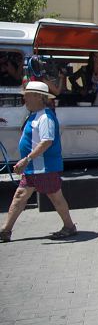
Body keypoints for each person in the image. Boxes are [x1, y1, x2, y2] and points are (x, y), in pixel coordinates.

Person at [0, 82, 76, 242]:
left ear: (38, 97)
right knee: (21, 196)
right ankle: (5, 231)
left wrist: (26, 159)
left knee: (55, 197)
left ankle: (69, 227)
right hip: (34, 168)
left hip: (43, 167)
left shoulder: (45, 117)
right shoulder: (34, 115)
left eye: (27, 95)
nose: (24, 98)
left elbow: (47, 141)